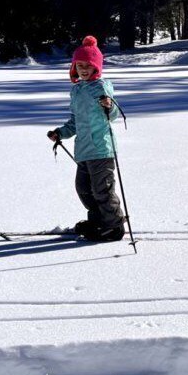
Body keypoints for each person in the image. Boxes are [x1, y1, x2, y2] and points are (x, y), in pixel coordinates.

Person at [47, 36, 126, 242]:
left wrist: (109, 105)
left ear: (96, 67)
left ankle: (114, 225)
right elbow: (75, 121)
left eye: (87, 66)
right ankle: (98, 219)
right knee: (83, 189)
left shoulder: (102, 87)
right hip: (83, 150)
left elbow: (114, 113)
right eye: (79, 65)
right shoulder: (76, 90)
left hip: (101, 149)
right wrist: (60, 133)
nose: (83, 69)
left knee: (102, 190)